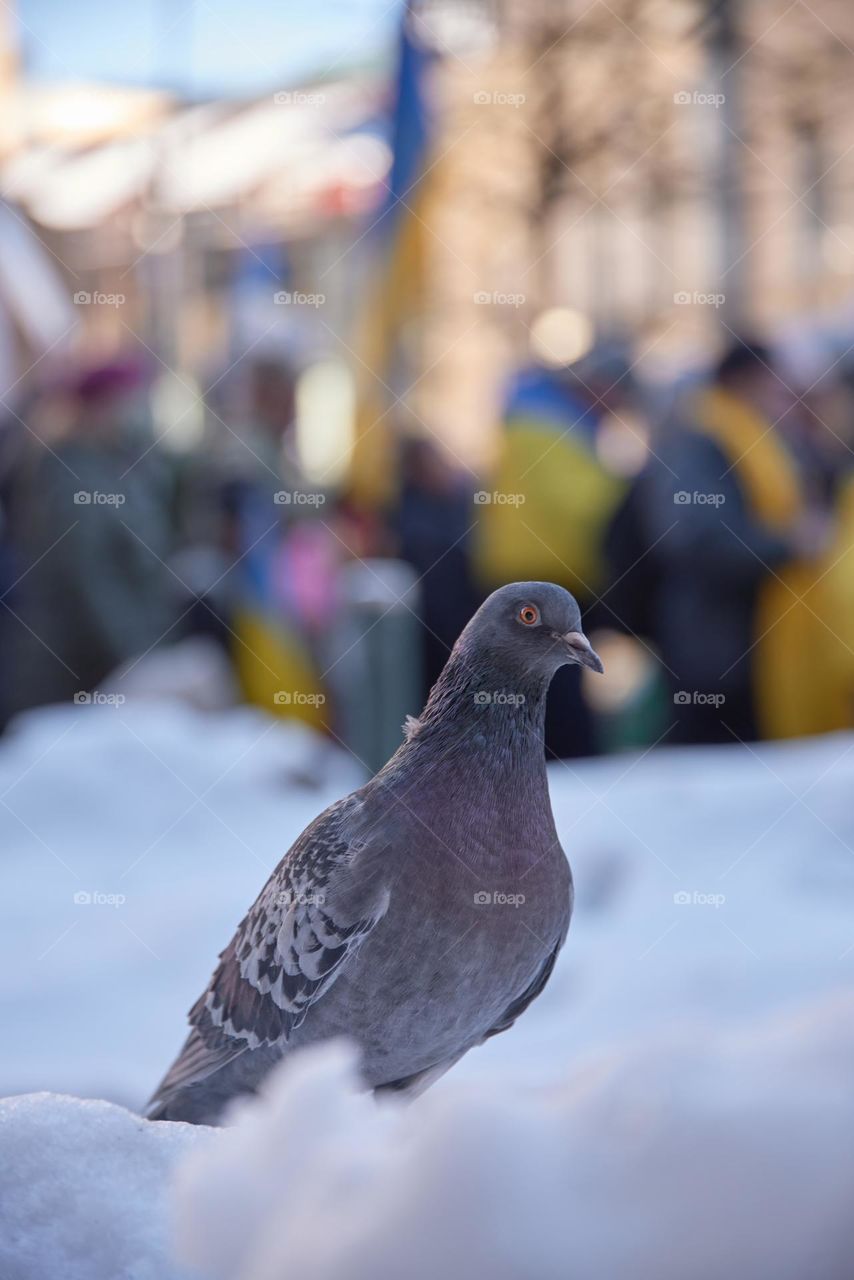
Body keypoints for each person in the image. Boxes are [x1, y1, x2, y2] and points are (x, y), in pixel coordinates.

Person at [637, 339, 849, 743]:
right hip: (716, 650)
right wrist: (789, 546)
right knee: (713, 773)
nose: (785, 398)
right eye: (778, 386)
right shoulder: (700, 437)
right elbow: (694, 538)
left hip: (758, 642)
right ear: (746, 381)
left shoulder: (764, 436)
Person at [473, 342, 631, 757]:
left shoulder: (549, 420)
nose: (617, 408)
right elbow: (581, 500)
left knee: (541, 683)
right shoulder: (548, 425)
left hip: (541, 570)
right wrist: (632, 492)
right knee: (552, 684)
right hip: (543, 575)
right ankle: (559, 757)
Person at [2, 359, 179, 721]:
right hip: (74, 676)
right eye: (127, 402)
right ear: (100, 407)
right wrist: (138, 661)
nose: (136, 414)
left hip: (109, 674)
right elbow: (89, 582)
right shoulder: (70, 476)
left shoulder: (118, 467)